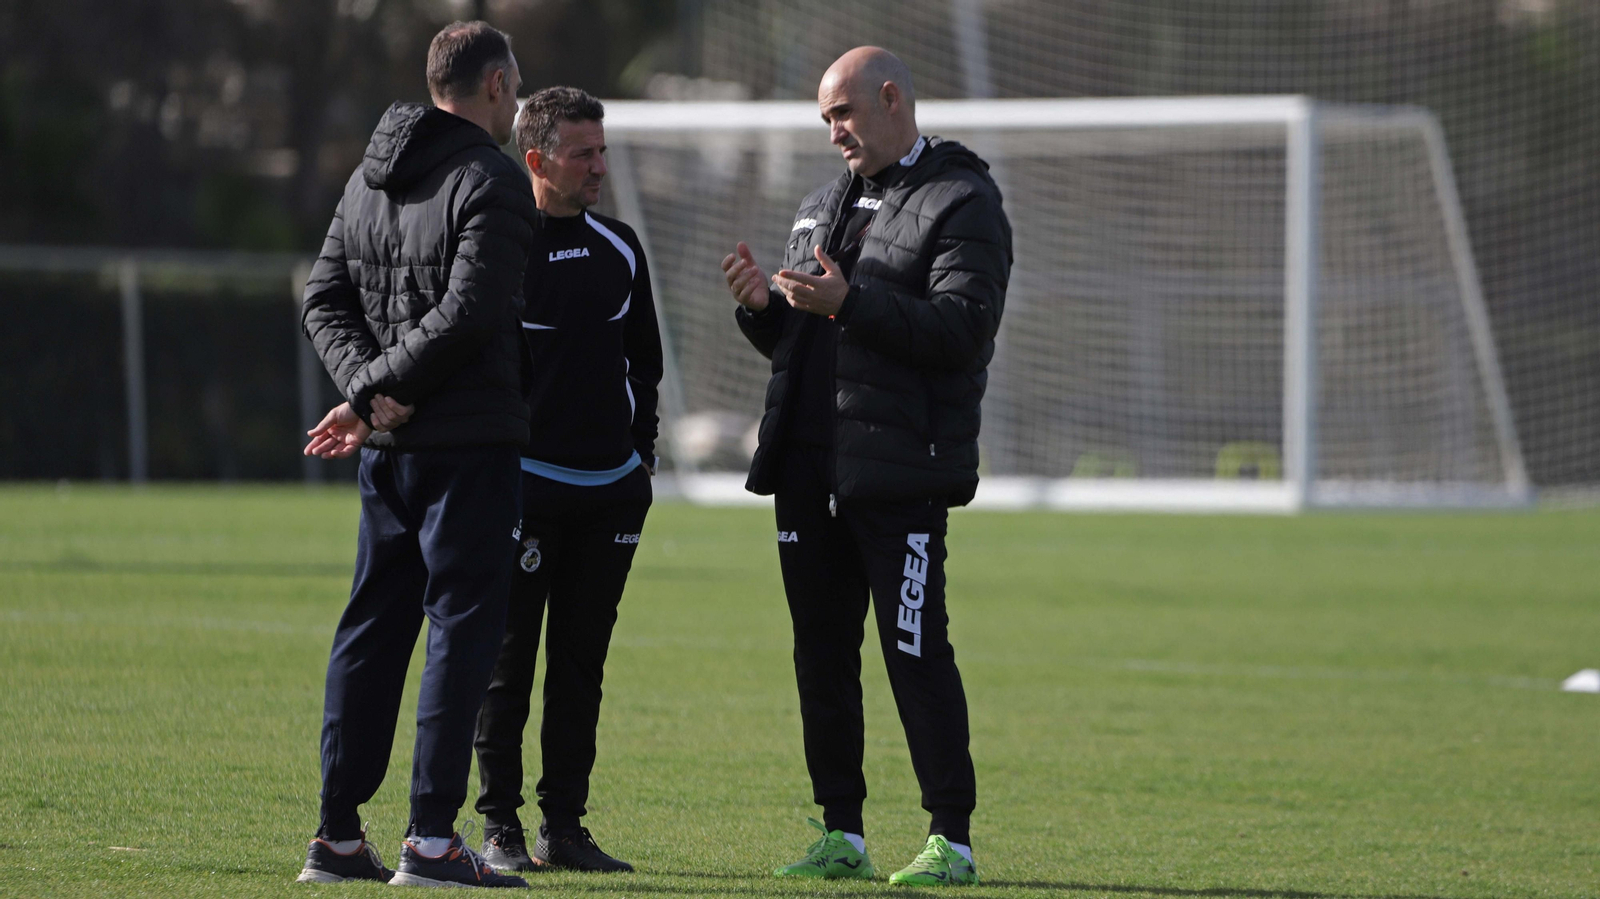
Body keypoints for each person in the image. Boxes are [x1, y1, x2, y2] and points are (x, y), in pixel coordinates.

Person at [720, 46, 1011, 887]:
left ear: (891, 99)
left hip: (899, 477)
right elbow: (804, 344)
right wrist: (762, 310)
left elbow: (960, 332)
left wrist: (849, 301)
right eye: (824, 120)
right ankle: (841, 831)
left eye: (842, 113)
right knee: (821, 657)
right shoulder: (821, 204)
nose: (834, 131)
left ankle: (950, 839)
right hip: (811, 475)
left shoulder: (965, 202)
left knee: (914, 648)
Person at [295, 20, 536, 889]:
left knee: (370, 628)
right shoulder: (494, 180)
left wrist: (368, 389)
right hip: (467, 443)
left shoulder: (368, 175)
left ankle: (336, 836)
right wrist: (379, 389)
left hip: (388, 447)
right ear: (498, 85)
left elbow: (322, 295)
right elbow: (473, 312)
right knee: (460, 633)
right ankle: (431, 841)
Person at [471, 87, 662, 875]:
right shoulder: (500, 248)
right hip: (524, 492)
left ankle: (564, 827)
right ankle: (500, 828)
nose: (599, 166)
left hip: (609, 493)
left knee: (582, 663)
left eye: (602, 150)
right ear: (538, 158)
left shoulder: (620, 247)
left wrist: (639, 465)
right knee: (508, 663)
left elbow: (644, 368)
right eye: (583, 152)